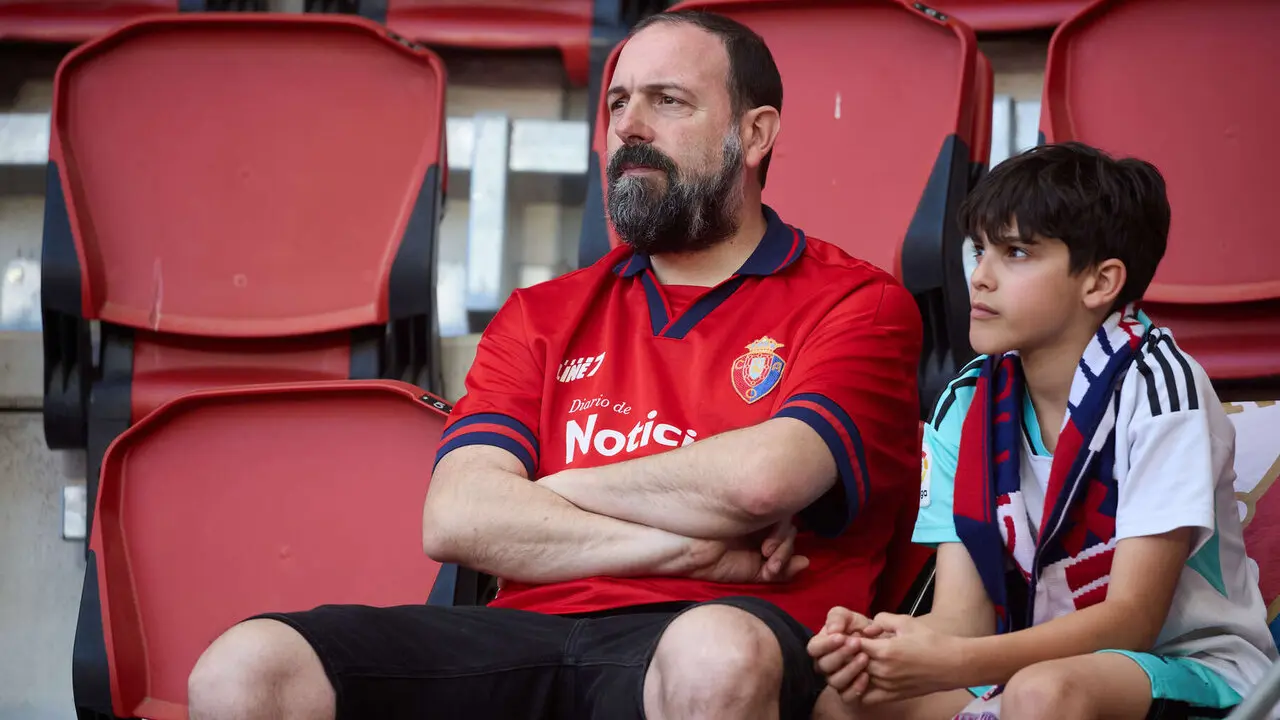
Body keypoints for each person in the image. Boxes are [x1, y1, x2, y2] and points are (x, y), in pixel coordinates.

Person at [187, 9, 924, 720]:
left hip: (729, 627)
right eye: (617, 104)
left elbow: (763, 480)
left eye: (667, 101)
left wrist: (554, 490)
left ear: (754, 134)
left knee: (713, 653)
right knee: (248, 666)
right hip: (525, 633)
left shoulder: (857, 303)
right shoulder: (541, 313)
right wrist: (690, 544)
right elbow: (456, 516)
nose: (629, 127)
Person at [808, 142, 1279, 720]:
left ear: (1100, 282)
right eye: (979, 250)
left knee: (1042, 694)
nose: (979, 278)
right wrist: (883, 650)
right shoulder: (966, 402)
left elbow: (1133, 620)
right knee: (848, 702)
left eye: (1016, 253)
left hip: (1193, 669)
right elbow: (964, 620)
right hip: (1025, 666)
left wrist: (951, 663)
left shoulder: (1160, 389)